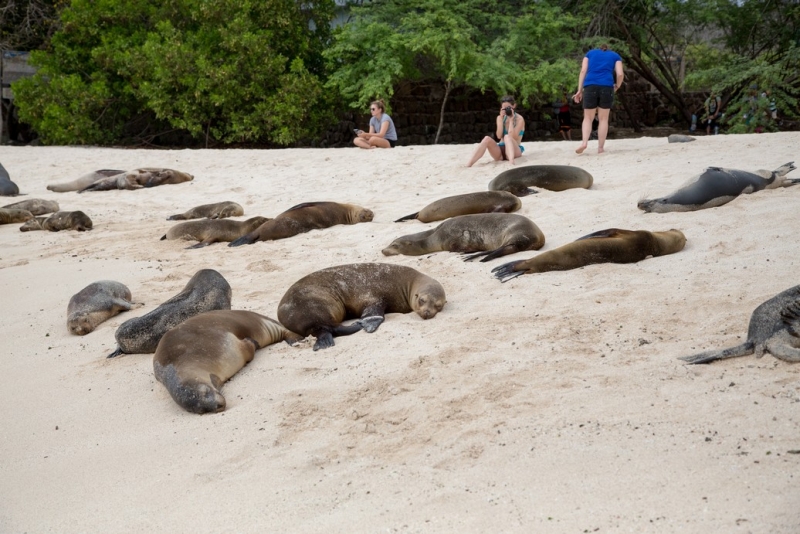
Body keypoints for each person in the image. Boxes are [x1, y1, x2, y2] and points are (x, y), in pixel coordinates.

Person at [573, 43, 623, 154]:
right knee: (603, 119)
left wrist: (579, 90)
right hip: (607, 86)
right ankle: (600, 148)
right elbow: (620, 74)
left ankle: (584, 142)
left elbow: (583, 71)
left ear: (598, 48)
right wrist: (617, 86)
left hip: (590, 86)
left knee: (587, 118)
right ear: (608, 48)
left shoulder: (590, 54)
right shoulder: (615, 56)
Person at [466, 95, 525, 167]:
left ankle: (511, 161)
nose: (507, 110)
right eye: (504, 108)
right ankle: (469, 163)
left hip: (514, 150)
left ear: (514, 106)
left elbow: (514, 137)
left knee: (507, 136)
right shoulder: (500, 118)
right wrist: (501, 119)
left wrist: (511, 120)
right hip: (500, 151)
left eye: (508, 108)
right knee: (486, 139)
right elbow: (499, 136)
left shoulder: (519, 119)